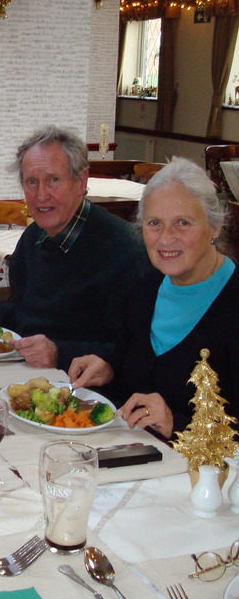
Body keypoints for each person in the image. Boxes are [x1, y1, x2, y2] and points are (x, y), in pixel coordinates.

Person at [69, 158, 238, 439]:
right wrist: (109, 368)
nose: (166, 238)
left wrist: (178, 424)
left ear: (215, 227)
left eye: (183, 223)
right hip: (137, 456)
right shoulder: (145, 290)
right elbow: (130, 373)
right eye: (155, 223)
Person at [0, 126, 152, 371]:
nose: (41, 195)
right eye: (32, 181)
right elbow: (28, 312)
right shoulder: (33, 238)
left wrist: (61, 354)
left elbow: (132, 349)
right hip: (28, 374)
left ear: (80, 182)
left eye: (53, 180)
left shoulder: (123, 250)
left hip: (87, 391)